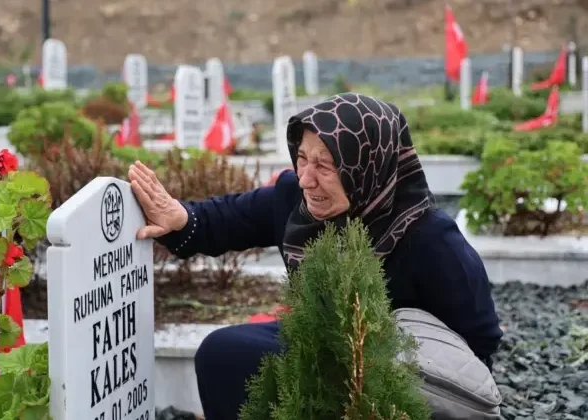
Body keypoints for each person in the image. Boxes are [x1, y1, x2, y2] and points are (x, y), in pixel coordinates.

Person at [128, 93, 503, 420]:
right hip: (323, 340)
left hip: (400, 372)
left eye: (325, 165)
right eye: (302, 158)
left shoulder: (429, 237)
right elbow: (231, 217)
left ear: (366, 166)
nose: (307, 178)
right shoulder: (296, 200)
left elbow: (480, 340)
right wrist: (181, 220)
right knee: (224, 355)